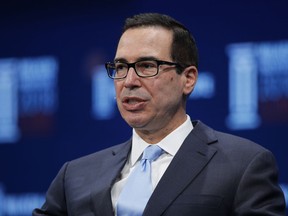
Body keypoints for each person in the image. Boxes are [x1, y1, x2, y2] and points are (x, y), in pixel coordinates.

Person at [33, 13, 286, 216]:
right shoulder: (75, 175)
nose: (129, 81)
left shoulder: (245, 165)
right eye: (120, 67)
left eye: (146, 66)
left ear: (188, 79)